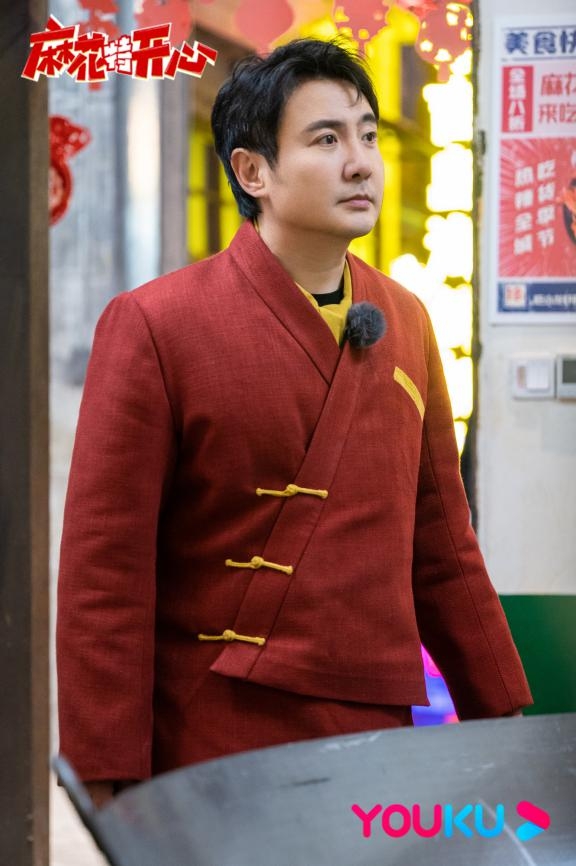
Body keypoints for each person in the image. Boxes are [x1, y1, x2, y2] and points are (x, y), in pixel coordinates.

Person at [56, 38, 532, 807]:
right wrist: (109, 780)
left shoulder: (407, 320)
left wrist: (505, 724)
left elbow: (445, 552)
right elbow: (106, 577)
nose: (361, 163)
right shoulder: (156, 324)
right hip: (210, 740)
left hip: (374, 741)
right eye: (326, 139)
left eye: (368, 135)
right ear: (253, 172)